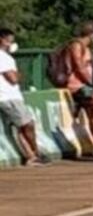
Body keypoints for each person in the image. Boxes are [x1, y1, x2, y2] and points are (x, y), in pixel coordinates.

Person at [0, 29, 50, 167]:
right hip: (7, 97)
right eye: (9, 40)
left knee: (23, 126)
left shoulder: (7, 57)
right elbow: (13, 78)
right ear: (2, 40)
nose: (11, 43)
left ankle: (32, 155)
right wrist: (18, 74)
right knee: (27, 125)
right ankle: (34, 152)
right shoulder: (2, 57)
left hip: (12, 96)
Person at [65, 21, 93, 154]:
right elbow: (79, 67)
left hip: (86, 85)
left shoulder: (87, 48)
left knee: (92, 116)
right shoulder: (76, 46)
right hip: (78, 85)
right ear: (91, 34)